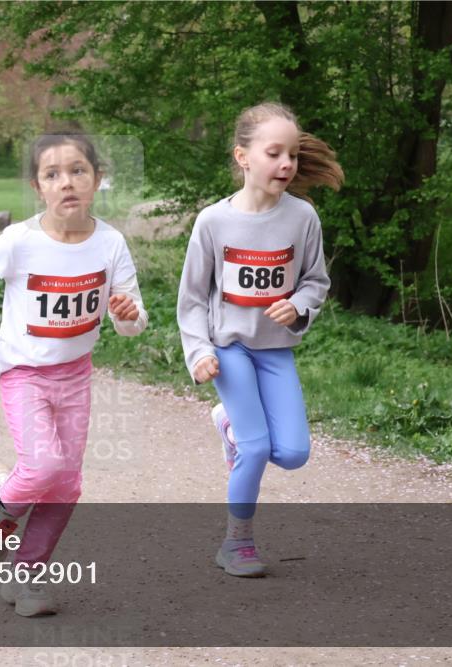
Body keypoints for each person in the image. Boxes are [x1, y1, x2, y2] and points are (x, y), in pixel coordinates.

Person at [0, 134, 148, 616]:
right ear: (38, 188)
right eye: (52, 174)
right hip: (24, 374)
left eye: (78, 170)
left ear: (98, 180)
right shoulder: (20, 241)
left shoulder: (110, 243)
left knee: (66, 485)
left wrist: (127, 313)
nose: (67, 182)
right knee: (43, 467)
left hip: (76, 376)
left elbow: (132, 322)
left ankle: (27, 576)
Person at [177, 102, 343, 577]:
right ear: (243, 157)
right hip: (228, 348)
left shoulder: (302, 217)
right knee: (255, 448)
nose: (286, 164)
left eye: (292, 154)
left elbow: (316, 281)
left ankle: (228, 424)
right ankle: (237, 544)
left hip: (275, 350)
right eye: (274, 153)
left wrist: (299, 305)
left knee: (291, 453)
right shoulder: (213, 222)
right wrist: (199, 352)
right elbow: (192, 298)